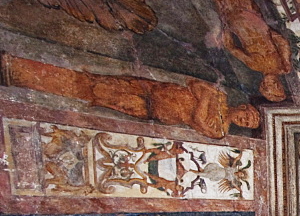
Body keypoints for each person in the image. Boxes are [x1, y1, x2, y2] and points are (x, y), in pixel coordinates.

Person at [1, 53, 259, 139]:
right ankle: (19, 69)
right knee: (95, 81)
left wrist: (204, 100)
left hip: (148, 108)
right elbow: (194, 83)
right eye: (249, 117)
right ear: (246, 108)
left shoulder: (221, 130)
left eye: (248, 125)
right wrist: (205, 100)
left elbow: (198, 121)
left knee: (97, 94)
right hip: (152, 89)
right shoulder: (221, 97)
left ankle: (19, 75)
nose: (245, 122)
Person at [190, 0, 292, 101]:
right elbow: (283, 42)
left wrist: (225, 29)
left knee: (224, 1)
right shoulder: (282, 65)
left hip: (239, 27)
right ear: (279, 84)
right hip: (257, 24)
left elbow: (232, 49)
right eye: (274, 85)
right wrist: (271, 35)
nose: (270, 82)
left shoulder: (254, 65)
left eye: (267, 85)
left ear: (262, 84)